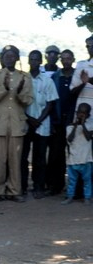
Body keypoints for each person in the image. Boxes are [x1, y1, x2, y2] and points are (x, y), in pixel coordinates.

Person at [0, 45, 33, 203]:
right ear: (1, 58)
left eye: (13, 56)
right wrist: (4, 88)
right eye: (6, 56)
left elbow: (28, 101)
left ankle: (14, 190)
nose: (9, 58)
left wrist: (19, 93)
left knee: (15, 159)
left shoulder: (25, 77)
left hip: (16, 125)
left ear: (18, 58)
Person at [22, 50, 58, 198]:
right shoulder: (23, 79)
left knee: (40, 157)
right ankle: (23, 186)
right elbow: (19, 103)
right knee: (23, 157)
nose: (34, 62)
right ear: (28, 61)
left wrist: (38, 120)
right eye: (31, 59)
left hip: (42, 125)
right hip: (25, 123)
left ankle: (38, 186)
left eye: (37, 59)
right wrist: (30, 119)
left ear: (40, 61)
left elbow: (51, 103)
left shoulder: (47, 80)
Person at [48, 50, 77, 195]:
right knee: (56, 156)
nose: (66, 61)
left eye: (68, 58)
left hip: (75, 122)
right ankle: (56, 186)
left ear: (73, 59)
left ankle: (77, 189)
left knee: (76, 155)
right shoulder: (55, 77)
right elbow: (52, 101)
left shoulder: (77, 76)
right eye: (63, 58)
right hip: (58, 122)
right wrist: (53, 122)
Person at [62, 102, 93, 205]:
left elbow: (88, 137)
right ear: (76, 113)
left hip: (86, 159)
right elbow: (69, 139)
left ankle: (87, 197)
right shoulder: (70, 127)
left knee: (87, 181)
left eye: (84, 113)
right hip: (73, 159)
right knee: (72, 181)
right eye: (80, 112)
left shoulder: (90, 125)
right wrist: (75, 126)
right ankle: (70, 196)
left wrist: (83, 124)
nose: (81, 115)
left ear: (88, 115)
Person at [70, 35, 93, 112]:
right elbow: (73, 91)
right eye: (88, 45)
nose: (91, 47)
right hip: (81, 112)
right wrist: (83, 83)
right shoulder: (80, 65)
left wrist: (88, 80)